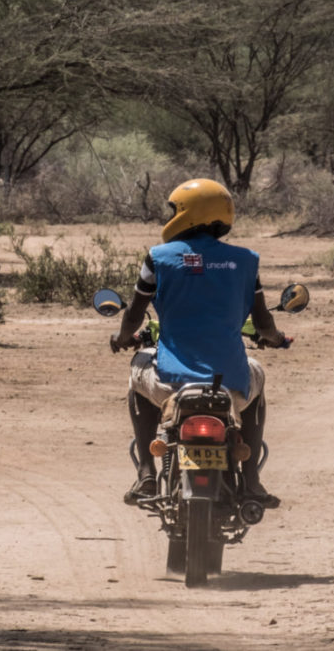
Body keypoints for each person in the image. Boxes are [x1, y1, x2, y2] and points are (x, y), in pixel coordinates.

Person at [109, 178, 292, 508]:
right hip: (230, 385)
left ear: (185, 213)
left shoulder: (158, 258)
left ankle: (147, 474)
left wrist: (121, 339)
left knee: (136, 368)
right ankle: (251, 479)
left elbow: (135, 315)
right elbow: (264, 324)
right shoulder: (246, 261)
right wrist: (277, 339)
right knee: (258, 374)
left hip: (170, 382)